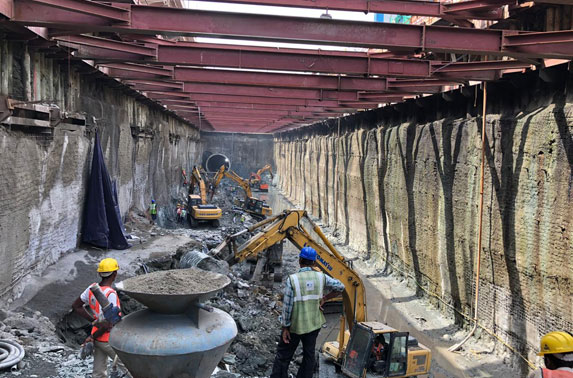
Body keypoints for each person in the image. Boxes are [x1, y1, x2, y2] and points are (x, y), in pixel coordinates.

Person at [270, 246, 344, 378]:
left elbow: (287, 307)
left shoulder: (292, 280)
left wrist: (285, 327)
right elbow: (341, 286)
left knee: (283, 356)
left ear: (300, 260)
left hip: (295, 327)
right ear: (314, 263)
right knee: (309, 355)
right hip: (313, 326)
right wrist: (325, 299)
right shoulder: (321, 277)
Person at [72, 258, 123, 378]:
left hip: (97, 339)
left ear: (100, 273)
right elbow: (108, 323)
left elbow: (76, 306)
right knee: (131, 368)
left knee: (98, 373)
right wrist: (92, 336)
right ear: (114, 274)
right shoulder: (111, 294)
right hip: (109, 339)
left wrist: (94, 323)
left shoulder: (92, 288)